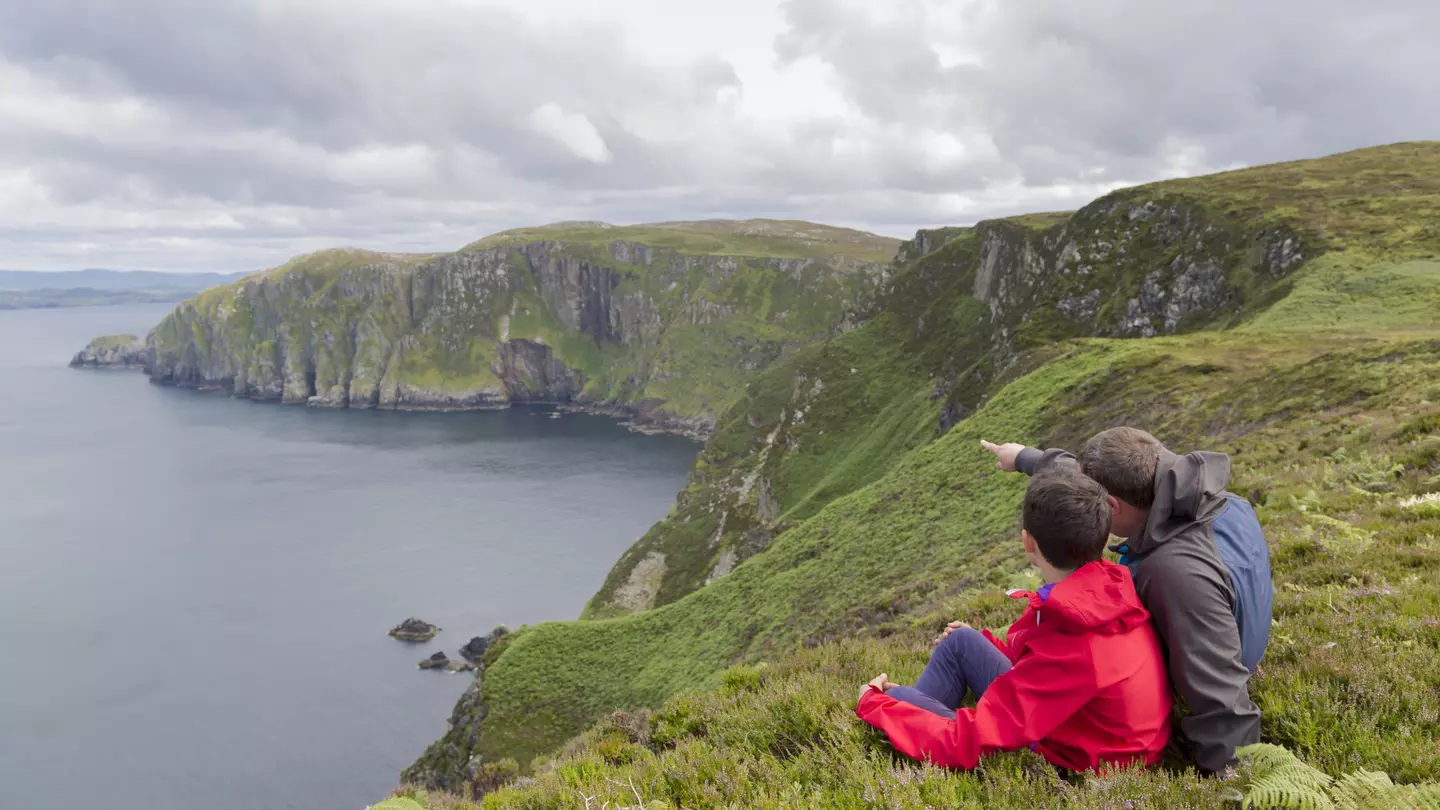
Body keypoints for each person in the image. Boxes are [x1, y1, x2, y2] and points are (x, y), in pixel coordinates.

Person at [980, 427, 1273, 774]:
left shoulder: (1176, 575)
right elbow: (1088, 481)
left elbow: (1220, 696)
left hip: (1188, 677)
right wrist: (1025, 457)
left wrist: (1237, 785)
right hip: (1230, 637)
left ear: (1110, 507)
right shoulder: (1219, 501)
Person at [855, 468, 1173, 772]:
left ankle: (909, 742)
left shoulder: (1077, 641)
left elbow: (968, 741)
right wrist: (991, 646)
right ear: (1103, 539)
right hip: (1091, 733)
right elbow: (1054, 669)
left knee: (895, 700)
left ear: (1027, 542)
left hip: (1077, 765)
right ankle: (917, 727)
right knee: (962, 642)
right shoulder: (1106, 589)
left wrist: (876, 703)